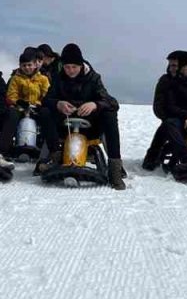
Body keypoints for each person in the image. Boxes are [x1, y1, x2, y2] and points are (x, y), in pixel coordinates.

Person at [37, 44, 125, 190]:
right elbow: (46, 100)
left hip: (90, 127)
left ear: (81, 65)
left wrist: (95, 104)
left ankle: (115, 168)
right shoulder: (59, 79)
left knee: (110, 114)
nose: (70, 71)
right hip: (65, 127)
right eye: (67, 67)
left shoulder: (93, 78)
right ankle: (56, 156)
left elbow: (112, 102)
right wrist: (58, 103)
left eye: (74, 67)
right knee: (45, 111)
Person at [142, 51, 183, 171]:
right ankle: (152, 157)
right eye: (171, 65)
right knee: (165, 129)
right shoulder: (165, 81)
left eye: (175, 65)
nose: (172, 68)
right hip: (171, 118)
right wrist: (166, 117)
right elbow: (158, 104)